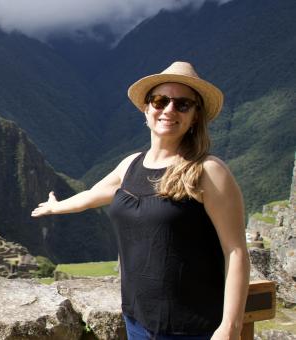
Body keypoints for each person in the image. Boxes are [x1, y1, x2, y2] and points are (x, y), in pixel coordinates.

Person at [31, 61, 249, 340]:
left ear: (195, 116)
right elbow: (91, 196)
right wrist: (55, 206)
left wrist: (230, 327)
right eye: (160, 101)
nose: (169, 110)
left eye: (182, 104)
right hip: (137, 320)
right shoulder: (130, 165)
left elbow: (236, 251)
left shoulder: (207, 171)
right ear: (147, 109)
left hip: (191, 327)